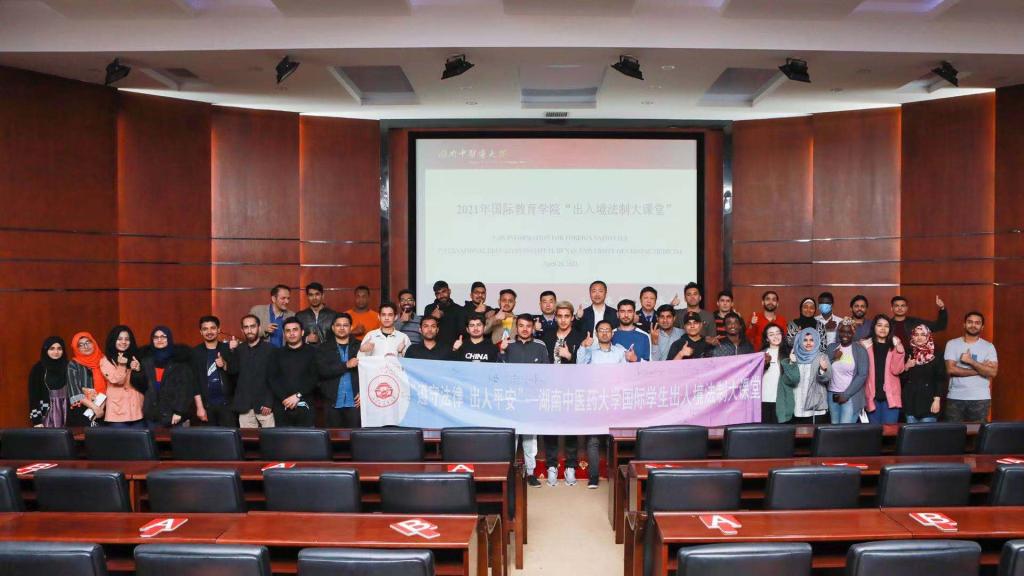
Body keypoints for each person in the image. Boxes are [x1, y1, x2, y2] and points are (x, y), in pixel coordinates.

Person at [539, 301, 587, 486]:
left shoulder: (579, 336)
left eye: (567, 316)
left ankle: (570, 466)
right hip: (550, 387)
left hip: (571, 388)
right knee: (550, 427)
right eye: (559, 316)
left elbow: (586, 365)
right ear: (555, 317)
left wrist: (570, 357)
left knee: (570, 428)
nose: (563, 320)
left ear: (572, 318)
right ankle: (552, 465)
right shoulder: (547, 335)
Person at [500, 313, 549, 487]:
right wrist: (502, 352)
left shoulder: (540, 346)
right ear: (516, 327)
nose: (525, 329)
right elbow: (498, 373)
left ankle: (530, 473)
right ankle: (508, 474)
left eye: (528, 326)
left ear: (532, 328)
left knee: (530, 440)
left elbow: (546, 373)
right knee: (510, 439)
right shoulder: (508, 345)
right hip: (511, 400)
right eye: (521, 326)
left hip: (531, 401)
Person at [576, 321, 626, 489]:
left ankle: (614, 475)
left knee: (613, 440)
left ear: (612, 333)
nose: (604, 333)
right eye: (601, 330)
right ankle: (594, 477)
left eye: (607, 330)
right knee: (593, 440)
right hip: (594, 400)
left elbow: (626, 374)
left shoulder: (620, 352)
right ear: (596, 333)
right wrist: (583, 347)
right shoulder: (590, 351)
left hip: (614, 400)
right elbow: (579, 368)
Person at [944, 311, 998, 422]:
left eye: (977, 323)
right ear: (964, 324)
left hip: (980, 398)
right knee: (953, 432)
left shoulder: (989, 347)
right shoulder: (952, 344)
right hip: (955, 397)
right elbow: (951, 369)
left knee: (978, 432)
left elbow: (993, 372)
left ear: (982, 327)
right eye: (970, 322)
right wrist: (981, 369)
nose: (973, 325)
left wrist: (971, 361)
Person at [28, 336, 93, 428]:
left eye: (59, 348)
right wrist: (36, 421)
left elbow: (79, 390)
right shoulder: (38, 369)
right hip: (47, 411)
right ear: (46, 350)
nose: (56, 352)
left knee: (72, 436)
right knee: (50, 437)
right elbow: (34, 396)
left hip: (68, 410)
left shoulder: (70, 366)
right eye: (52, 348)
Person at [267, 317, 317, 427]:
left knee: (308, 438)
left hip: (306, 406)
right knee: (282, 438)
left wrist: (298, 395)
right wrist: (285, 398)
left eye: (295, 329)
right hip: (282, 406)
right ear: (284, 334)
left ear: (302, 332)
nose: (291, 333)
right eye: (288, 331)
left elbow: (315, 378)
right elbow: (272, 379)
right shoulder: (276, 353)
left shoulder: (313, 352)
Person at [227, 314, 275, 428]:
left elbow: (275, 378)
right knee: (247, 438)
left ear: (259, 327)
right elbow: (232, 372)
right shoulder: (239, 349)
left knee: (271, 438)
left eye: (252, 326)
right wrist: (232, 351)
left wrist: (269, 402)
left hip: (264, 406)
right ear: (242, 330)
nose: (249, 330)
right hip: (244, 405)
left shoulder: (270, 349)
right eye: (246, 327)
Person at [140, 326, 194, 428]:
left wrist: (179, 411)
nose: (159, 340)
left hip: (173, 415)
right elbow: (141, 386)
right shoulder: (146, 361)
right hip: (151, 415)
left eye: (163, 337)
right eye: (156, 337)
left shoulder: (179, 360)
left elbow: (185, 388)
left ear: (169, 338)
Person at [315, 312, 361, 428]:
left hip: (355, 403)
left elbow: (368, 373)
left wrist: (364, 393)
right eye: (338, 325)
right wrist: (346, 365)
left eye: (345, 325)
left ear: (351, 327)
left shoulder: (360, 346)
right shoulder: (323, 348)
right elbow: (322, 371)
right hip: (332, 402)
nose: (341, 328)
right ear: (333, 328)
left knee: (355, 437)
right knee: (332, 437)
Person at [778, 327, 830, 424]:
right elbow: (790, 380)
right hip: (798, 401)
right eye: (805, 340)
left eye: (811, 340)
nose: (808, 343)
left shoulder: (822, 357)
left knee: (815, 432)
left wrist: (823, 370)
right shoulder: (794, 357)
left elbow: (827, 379)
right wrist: (791, 363)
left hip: (815, 405)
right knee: (798, 432)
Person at [191, 315, 235, 427]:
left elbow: (237, 375)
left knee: (228, 437)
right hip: (206, 406)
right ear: (201, 332)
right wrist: (200, 407)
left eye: (213, 328)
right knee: (206, 438)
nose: (209, 332)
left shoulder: (227, 349)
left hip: (227, 406)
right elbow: (194, 382)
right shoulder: (195, 353)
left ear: (219, 329)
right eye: (205, 329)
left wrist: (225, 364)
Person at [99, 326, 146, 428]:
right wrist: (122, 365)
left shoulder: (136, 357)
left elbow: (144, 384)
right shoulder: (105, 360)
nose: (123, 342)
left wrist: (138, 370)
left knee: (142, 438)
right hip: (117, 413)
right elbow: (117, 381)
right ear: (113, 340)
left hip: (137, 411)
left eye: (127, 339)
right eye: (119, 339)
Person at [862, 315, 906, 424]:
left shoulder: (895, 346)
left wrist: (899, 349)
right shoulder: (866, 346)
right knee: (873, 432)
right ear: (874, 327)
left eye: (886, 326)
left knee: (890, 431)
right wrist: (863, 347)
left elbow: (896, 370)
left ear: (890, 329)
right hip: (871, 397)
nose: (883, 328)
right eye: (879, 325)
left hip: (890, 397)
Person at [901, 324, 946, 423]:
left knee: (927, 432)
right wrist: (906, 366)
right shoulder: (907, 353)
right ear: (912, 336)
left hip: (929, 401)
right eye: (916, 334)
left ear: (928, 336)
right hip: (910, 401)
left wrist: (937, 400)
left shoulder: (937, 354)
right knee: (911, 432)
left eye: (923, 334)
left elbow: (940, 379)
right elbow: (901, 379)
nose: (919, 337)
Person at [825, 321, 868, 424]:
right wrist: (833, 358)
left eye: (849, 332)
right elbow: (824, 370)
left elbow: (862, 375)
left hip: (851, 396)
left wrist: (846, 395)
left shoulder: (860, 350)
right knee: (834, 426)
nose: (845, 335)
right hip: (832, 395)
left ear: (853, 333)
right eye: (842, 331)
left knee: (845, 428)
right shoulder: (831, 348)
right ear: (838, 332)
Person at [69, 332, 107, 424]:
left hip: (107, 407)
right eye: (80, 345)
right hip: (84, 410)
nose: (86, 346)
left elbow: (112, 385)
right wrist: (95, 408)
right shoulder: (73, 365)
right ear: (76, 348)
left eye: (88, 342)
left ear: (93, 343)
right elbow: (75, 393)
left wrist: (102, 407)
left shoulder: (104, 360)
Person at [424, 280, 466, 350]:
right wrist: (433, 317)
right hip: (433, 349)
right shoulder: (429, 308)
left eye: (444, 291)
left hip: (453, 349)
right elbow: (425, 331)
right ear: (435, 295)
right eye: (438, 293)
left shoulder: (459, 309)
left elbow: (462, 332)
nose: (441, 295)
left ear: (449, 291)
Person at [759, 324, 788, 423]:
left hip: (781, 399)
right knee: (765, 429)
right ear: (767, 339)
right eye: (771, 334)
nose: (775, 336)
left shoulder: (788, 354)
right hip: (764, 398)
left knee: (780, 429)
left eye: (778, 333)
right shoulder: (761, 354)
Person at [249, 284, 294, 348]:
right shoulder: (257, 311)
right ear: (273, 299)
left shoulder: (292, 315)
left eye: (288, 298)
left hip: (283, 353)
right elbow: (248, 334)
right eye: (283, 298)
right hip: (261, 353)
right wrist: (264, 330)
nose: (287, 301)